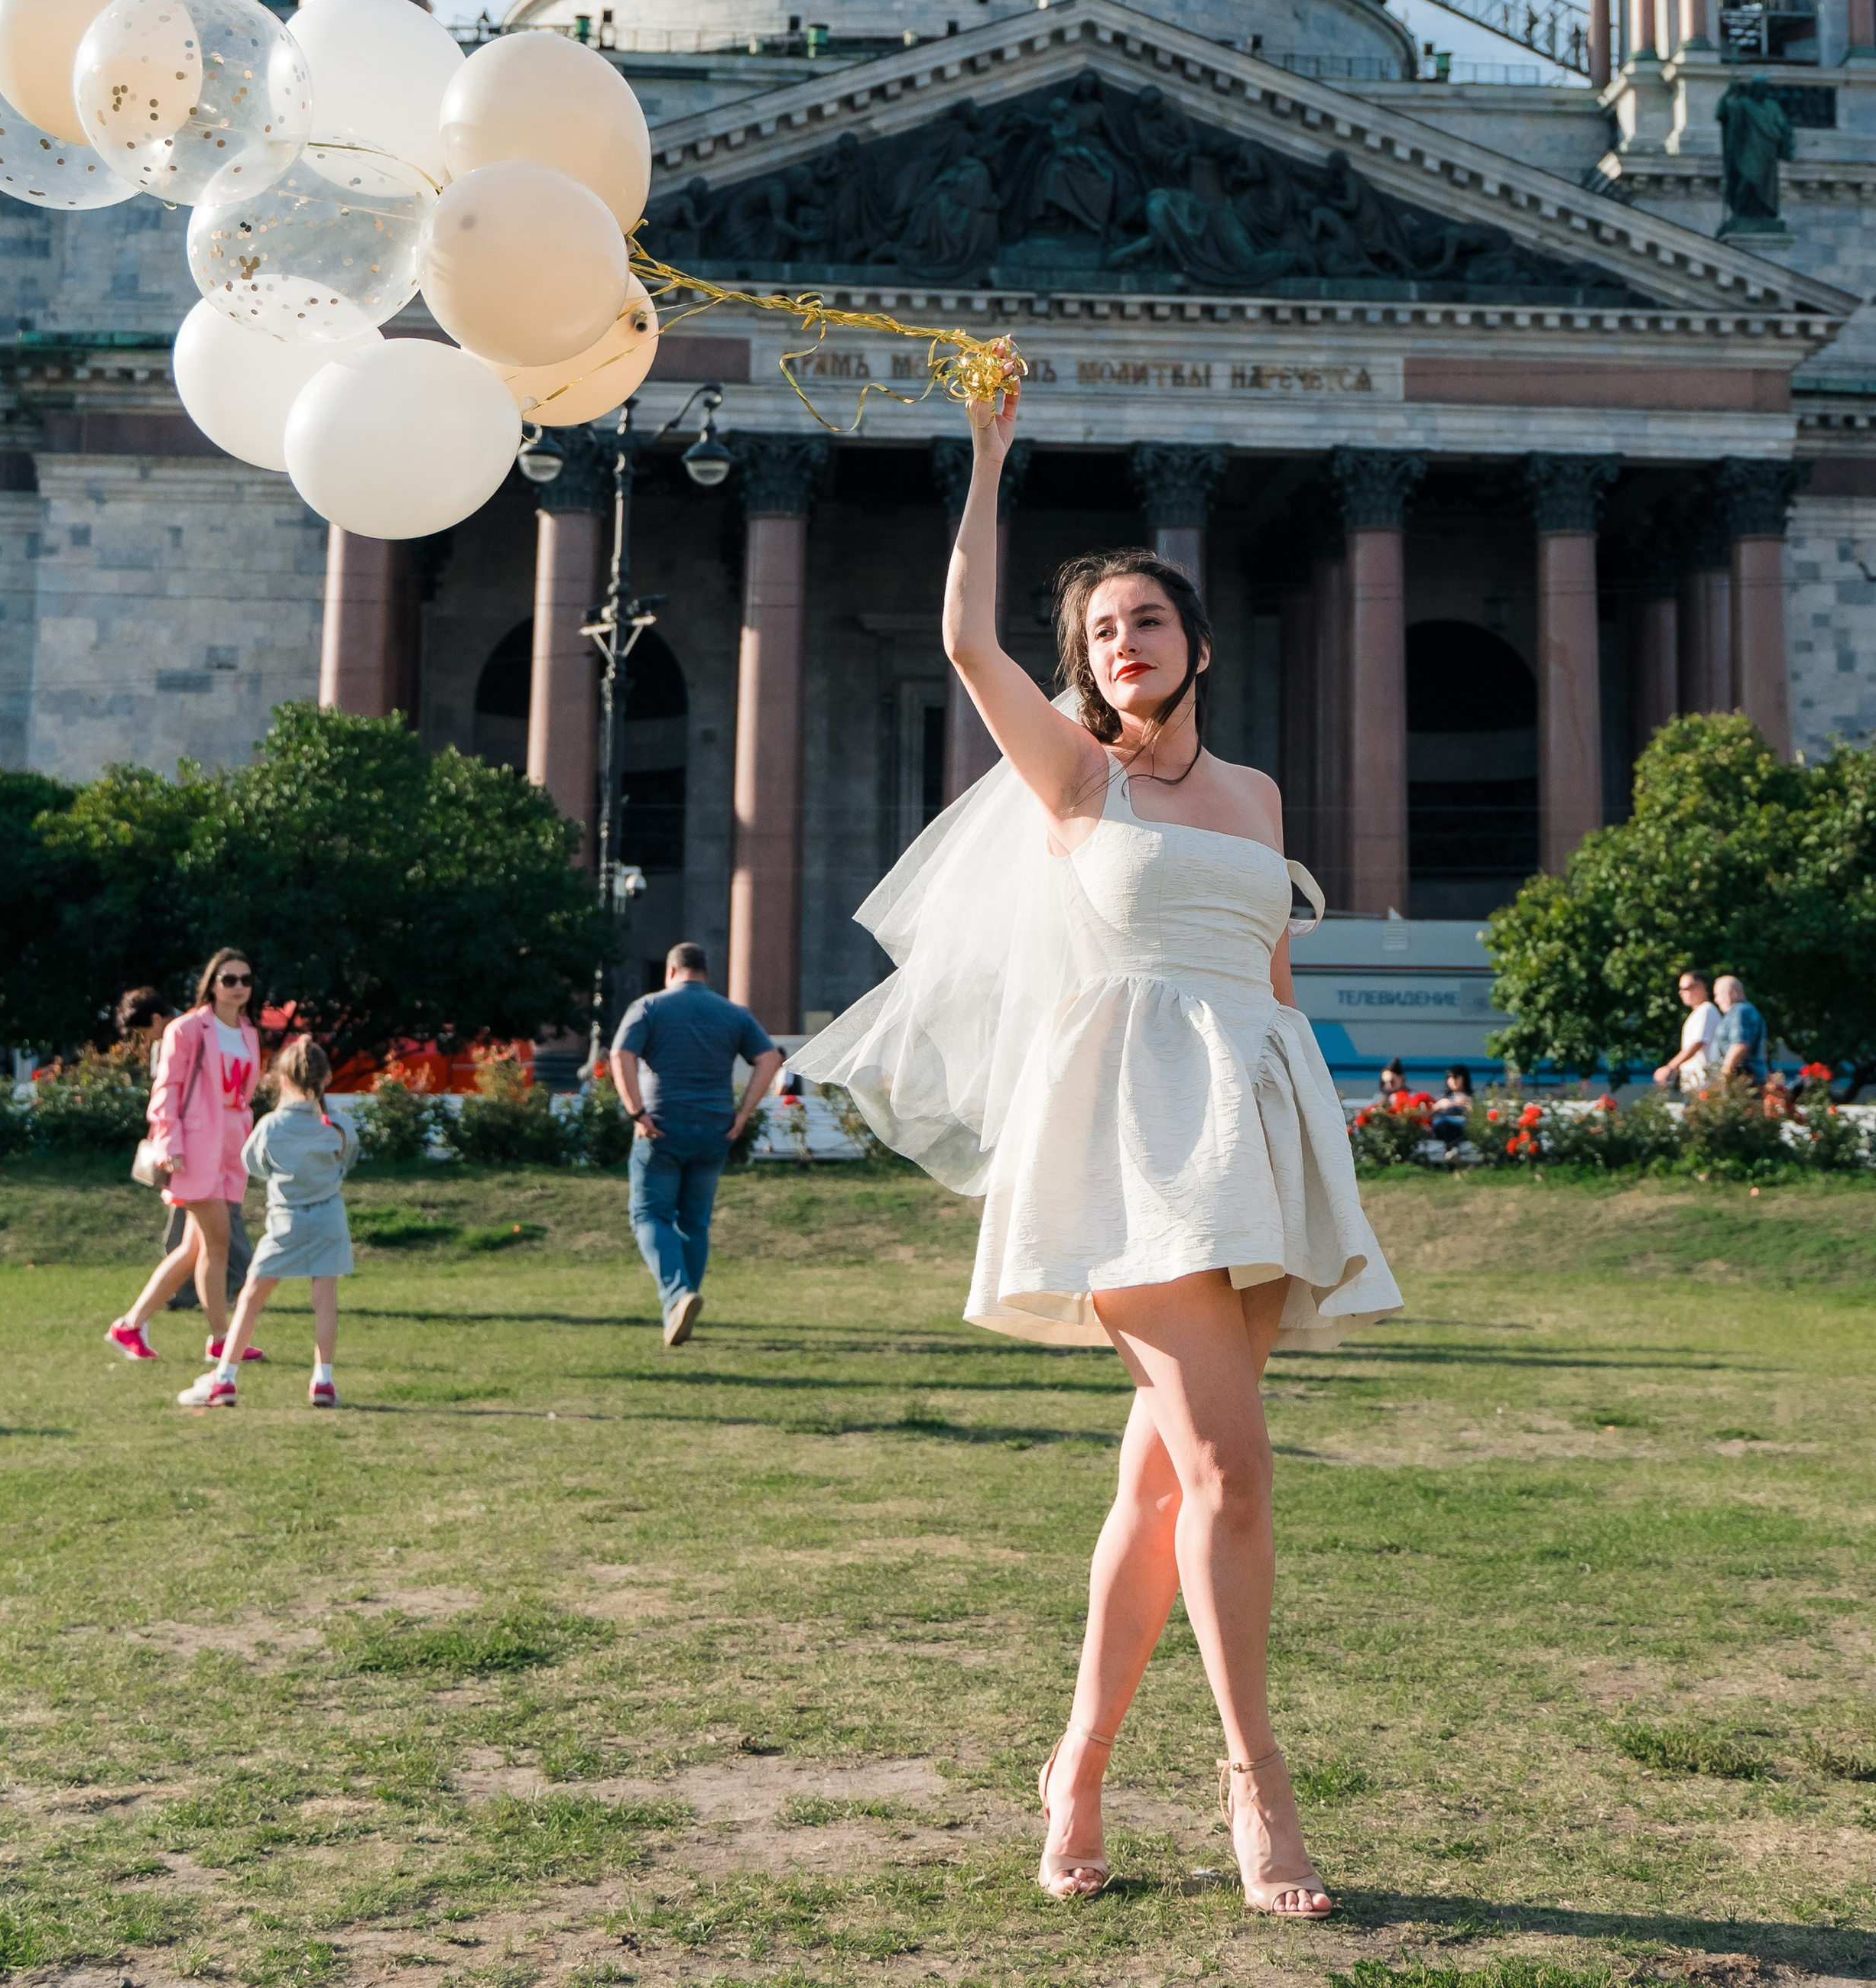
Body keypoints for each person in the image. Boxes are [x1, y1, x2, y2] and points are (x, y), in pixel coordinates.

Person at [800, 358, 1399, 1915]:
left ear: (1194, 643)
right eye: (1094, 634)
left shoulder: (1259, 798)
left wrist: (1317, 1129)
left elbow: (1271, 980)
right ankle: (1256, 1786)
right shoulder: (1072, 781)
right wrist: (987, 460)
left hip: (1252, 1123)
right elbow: (956, 641)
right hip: (1125, 1140)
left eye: (1141, 620)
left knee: (1155, 1491)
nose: (1117, 645)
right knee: (1233, 1474)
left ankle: (1073, 1763)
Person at [612, 945, 782, 1349]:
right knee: (695, 1222)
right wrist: (742, 1114)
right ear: (706, 972)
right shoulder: (734, 1013)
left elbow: (621, 1054)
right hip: (715, 1129)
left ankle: (677, 1297)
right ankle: (679, 1305)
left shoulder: (649, 1006)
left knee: (649, 1213)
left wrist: (638, 1112)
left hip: (662, 1126)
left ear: (671, 971)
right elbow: (770, 1059)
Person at [180, 1036, 358, 1411]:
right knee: (324, 1301)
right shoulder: (338, 1125)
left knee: (252, 1296)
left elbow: (253, 1164)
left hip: (285, 1220)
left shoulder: (271, 1126)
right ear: (325, 1079)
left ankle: (225, 1378)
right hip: (329, 1218)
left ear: (282, 1079)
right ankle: (323, 1379)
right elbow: (348, 1159)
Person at [104, 951, 263, 1365]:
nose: (239, 986)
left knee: (194, 1250)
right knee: (218, 1243)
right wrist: (171, 1145)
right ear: (212, 983)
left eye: (245, 979)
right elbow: (166, 1092)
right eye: (229, 979)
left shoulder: (248, 1032)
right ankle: (221, 1339)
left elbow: (243, 1097)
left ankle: (130, 1325)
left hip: (232, 1149)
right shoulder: (187, 1028)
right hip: (193, 1150)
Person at [1654, 971, 1717, 1092]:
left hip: (1705, 1085)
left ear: (1701, 987)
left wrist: (1669, 1067)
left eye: (1686, 988)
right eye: (1680, 989)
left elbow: (1696, 1044)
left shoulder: (1706, 1010)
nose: (1681, 993)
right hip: (1698, 1085)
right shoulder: (1699, 1013)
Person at [1712, 973, 1768, 1089]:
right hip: (1750, 1078)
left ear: (1731, 993)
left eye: (1718, 995)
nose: (1716, 1000)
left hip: (1741, 1080)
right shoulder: (1747, 1011)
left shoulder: (1739, 1012)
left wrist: (1725, 1073)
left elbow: (1740, 1044)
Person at [1431, 1065, 1474, 1148]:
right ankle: (1452, 1147)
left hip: (1461, 1125)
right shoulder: (1442, 1097)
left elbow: (1478, 1116)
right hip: (1443, 1125)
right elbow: (1428, 1113)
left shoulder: (1472, 1097)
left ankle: (1452, 1147)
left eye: (1457, 1077)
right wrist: (1439, 1105)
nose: (1453, 1081)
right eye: (1450, 1078)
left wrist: (1468, 1104)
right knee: (1443, 1123)